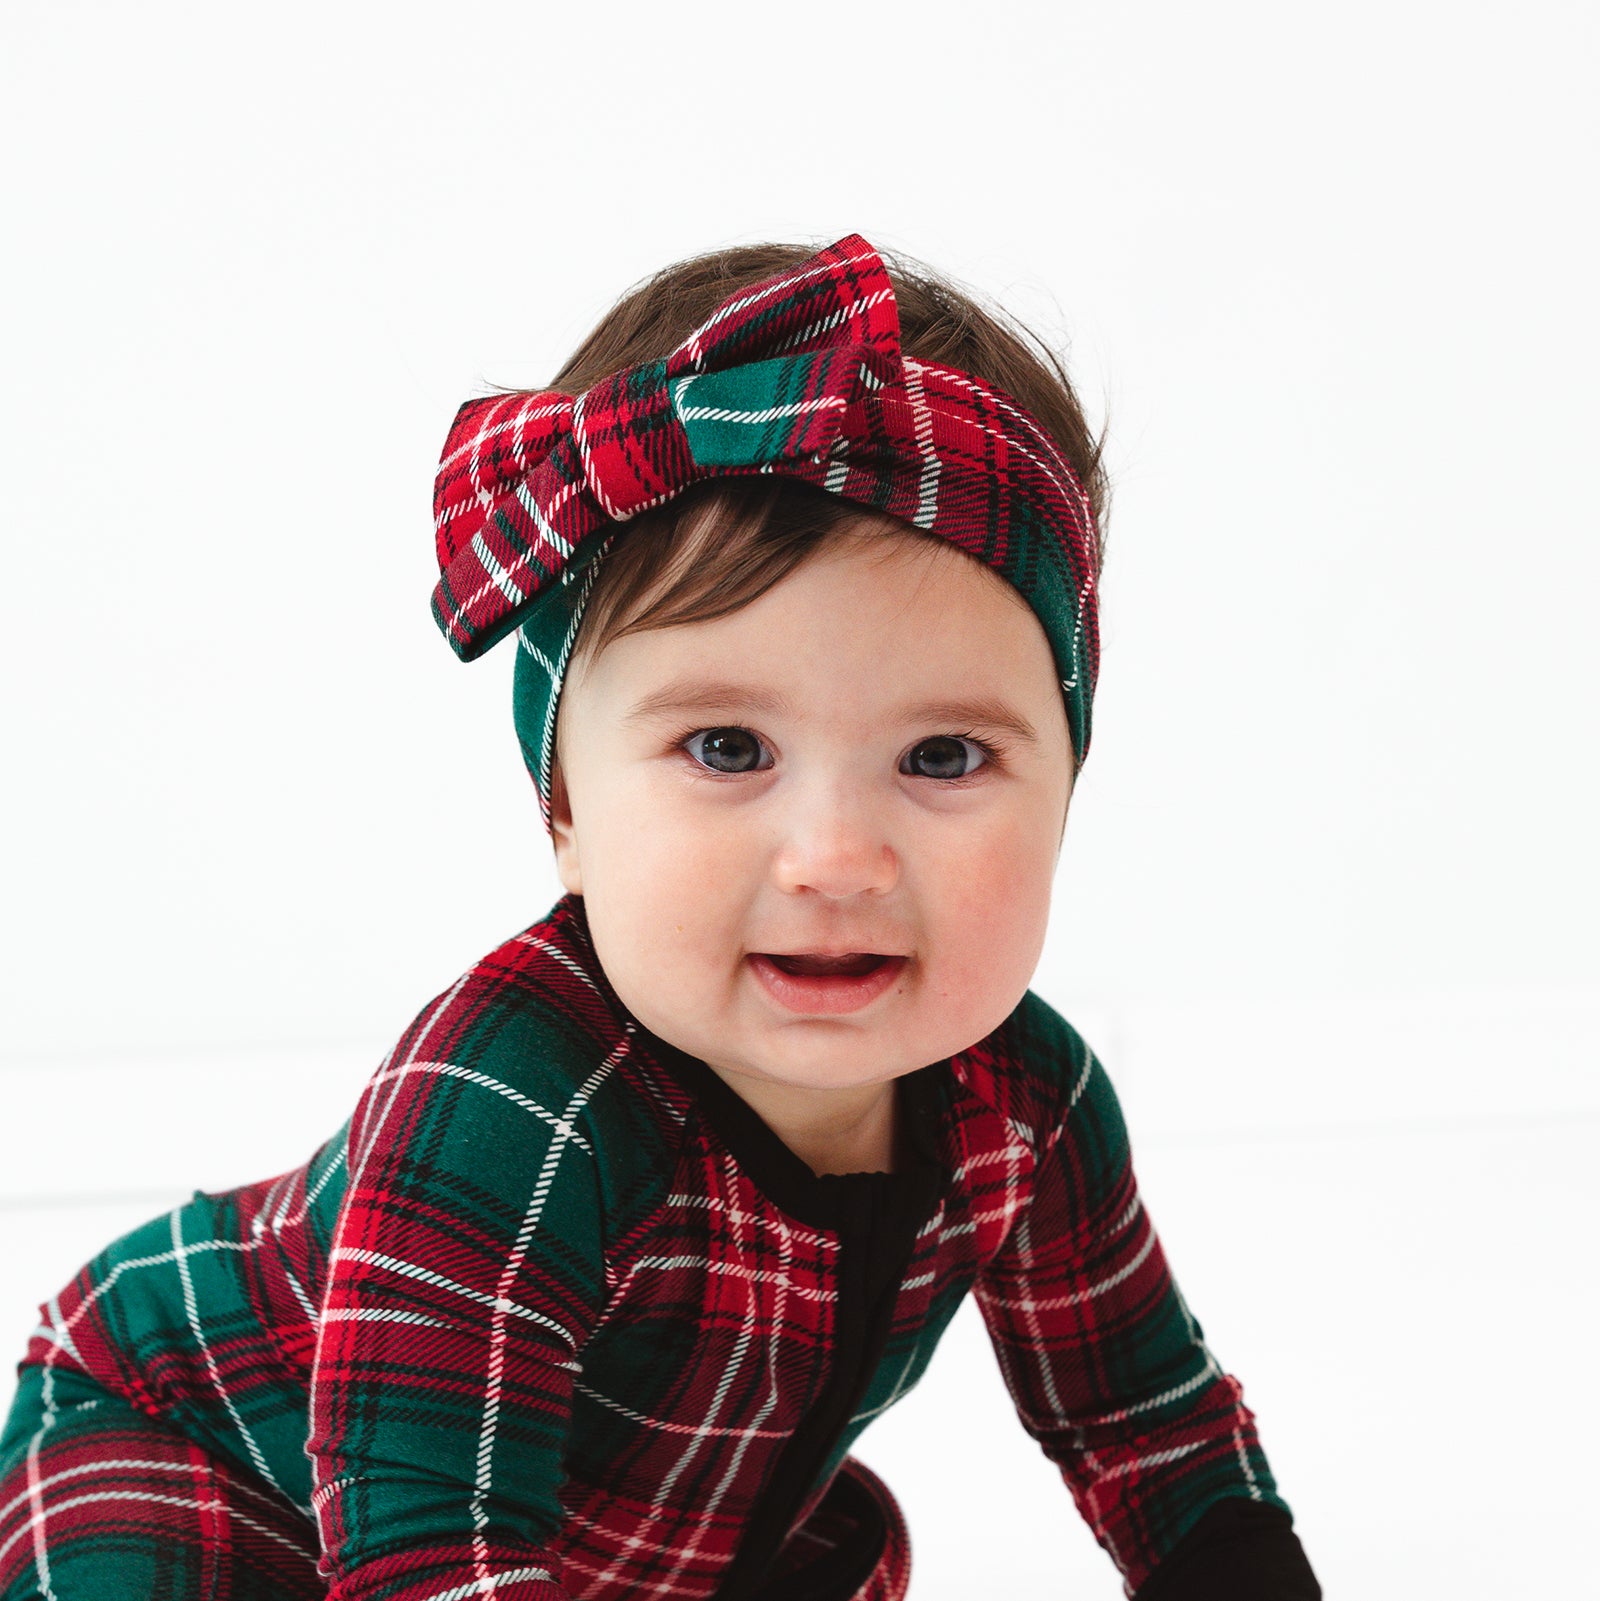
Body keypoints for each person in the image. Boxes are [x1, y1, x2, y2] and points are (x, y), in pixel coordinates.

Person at [0, 233, 1321, 1601]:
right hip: (204, 1448)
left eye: (943, 758)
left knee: (828, 1559)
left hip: (620, 1529)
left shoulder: (1029, 1104)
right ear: (566, 807)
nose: (833, 857)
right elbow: (429, 1543)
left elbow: (1153, 1428)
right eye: (728, 750)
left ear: (1066, 787)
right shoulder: (516, 1094)